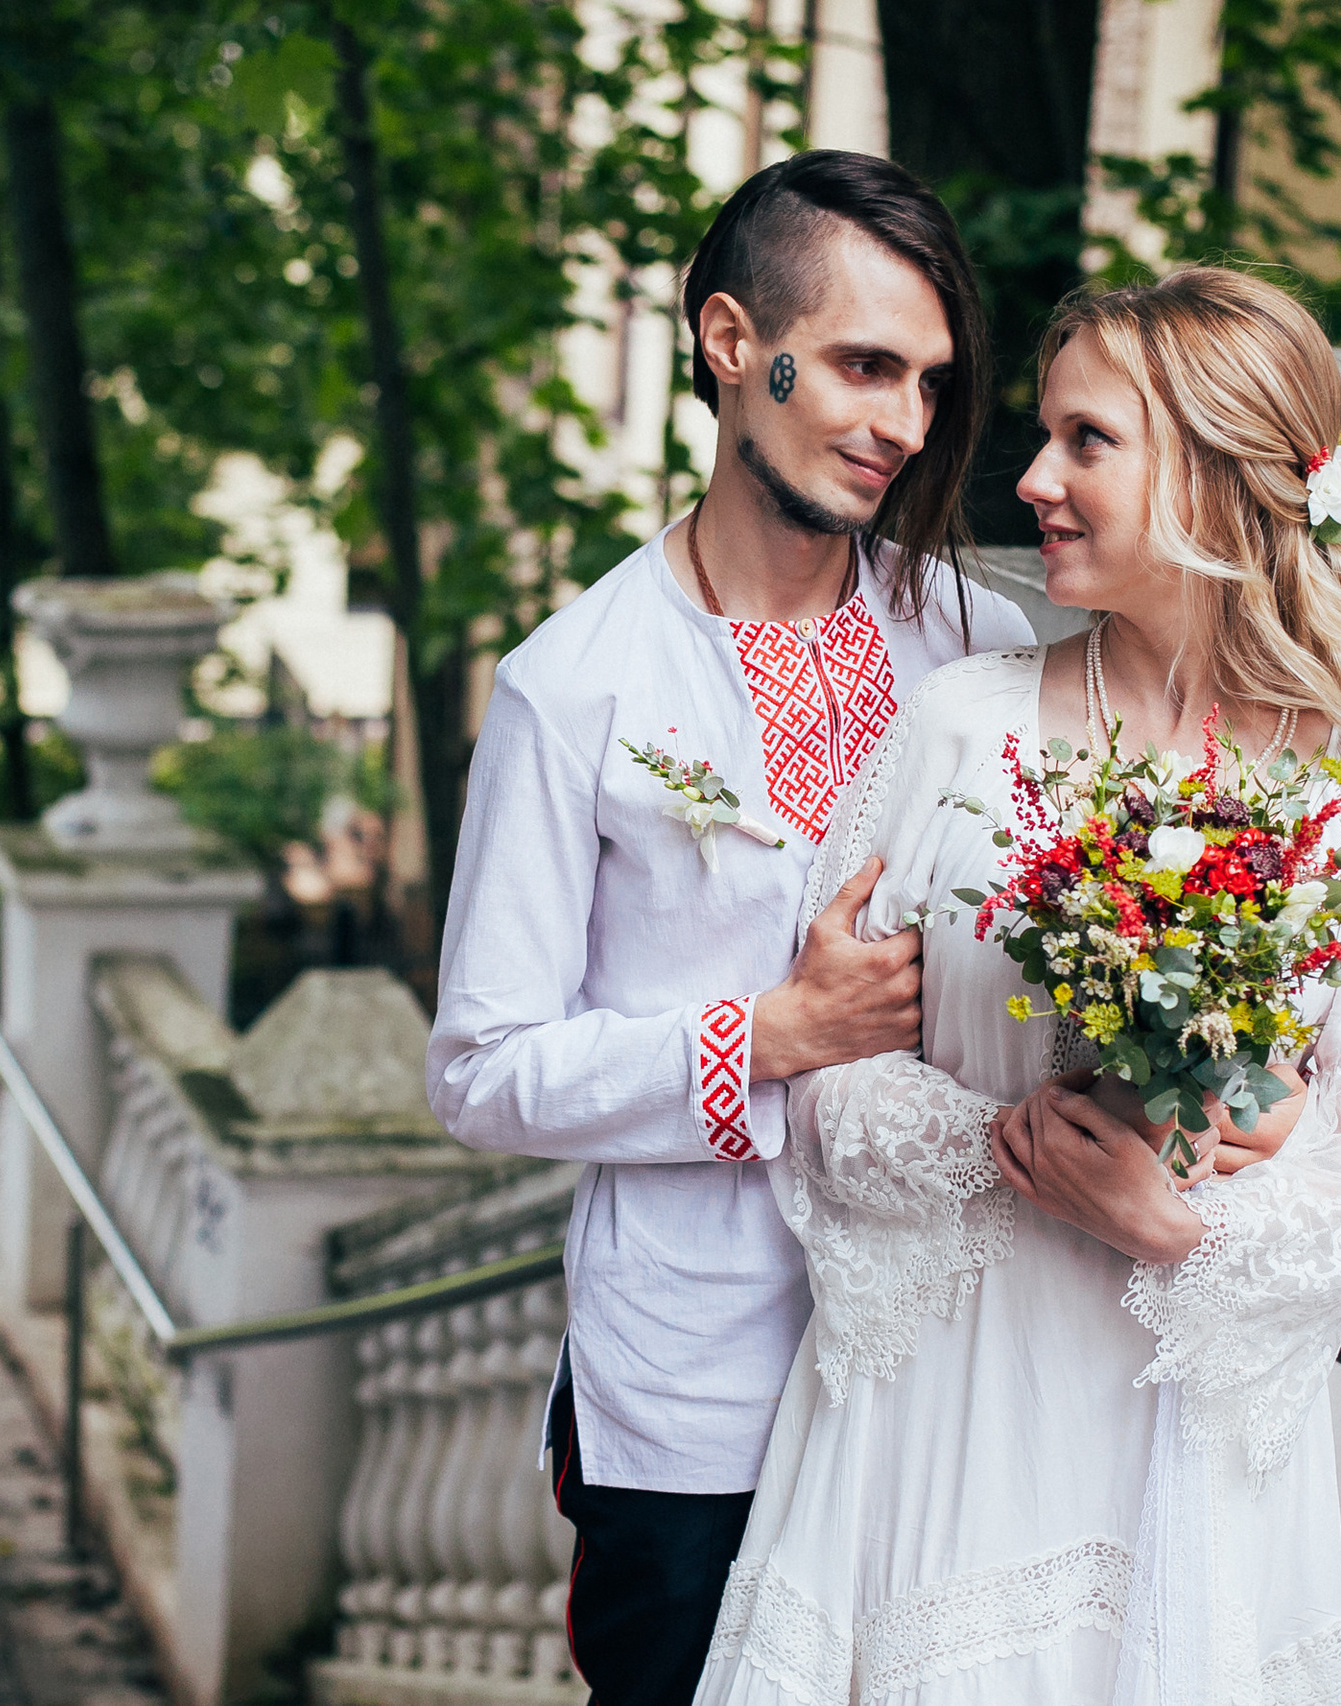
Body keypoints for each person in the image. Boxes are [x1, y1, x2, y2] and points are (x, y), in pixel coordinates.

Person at [693, 266, 1341, 1706]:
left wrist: (1176, 1218)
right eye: (1045, 435)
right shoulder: (955, 732)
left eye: (1088, 441)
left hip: (1180, 1453)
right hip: (950, 1419)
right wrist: (1009, 1148)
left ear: (1218, 474)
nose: (1035, 477)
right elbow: (829, 1085)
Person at [426, 150, 1040, 1704]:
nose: (900, 421)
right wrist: (760, 1038)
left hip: (944, 1351)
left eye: (923, 379)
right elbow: (481, 1069)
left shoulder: (980, 645)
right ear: (726, 344)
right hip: (698, 1378)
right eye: (858, 364)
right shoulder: (574, 688)